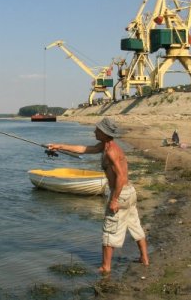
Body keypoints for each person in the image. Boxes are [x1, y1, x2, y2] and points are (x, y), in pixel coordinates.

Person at [47, 117, 149, 273]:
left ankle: (105, 267)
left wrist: (114, 200)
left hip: (120, 193)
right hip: (129, 192)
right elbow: (84, 149)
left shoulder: (111, 151)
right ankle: (144, 258)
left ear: (104, 133)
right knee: (134, 224)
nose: (94, 131)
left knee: (109, 229)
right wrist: (60, 146)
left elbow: (121, 176)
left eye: (97, 130)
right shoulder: (105, 146)